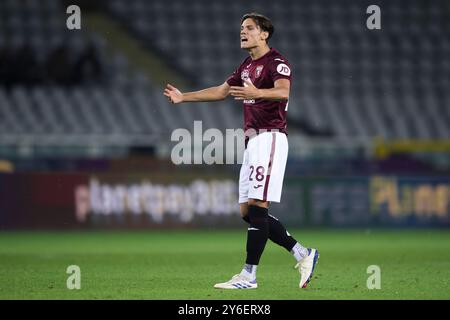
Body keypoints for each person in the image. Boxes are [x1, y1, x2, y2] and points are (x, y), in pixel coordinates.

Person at [164, 12, 319, 289]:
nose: (243, 32)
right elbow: (222, 91)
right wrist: (183, 97)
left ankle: (249, 275)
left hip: (270, 138)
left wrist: (256, 93)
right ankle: (302, 253)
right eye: (241, 28)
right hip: (252, 141)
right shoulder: (246, 65)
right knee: (247, 212)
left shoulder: (277, 63)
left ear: (264, 34)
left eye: (249, 28)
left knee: (259, 206)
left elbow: (284, 92)